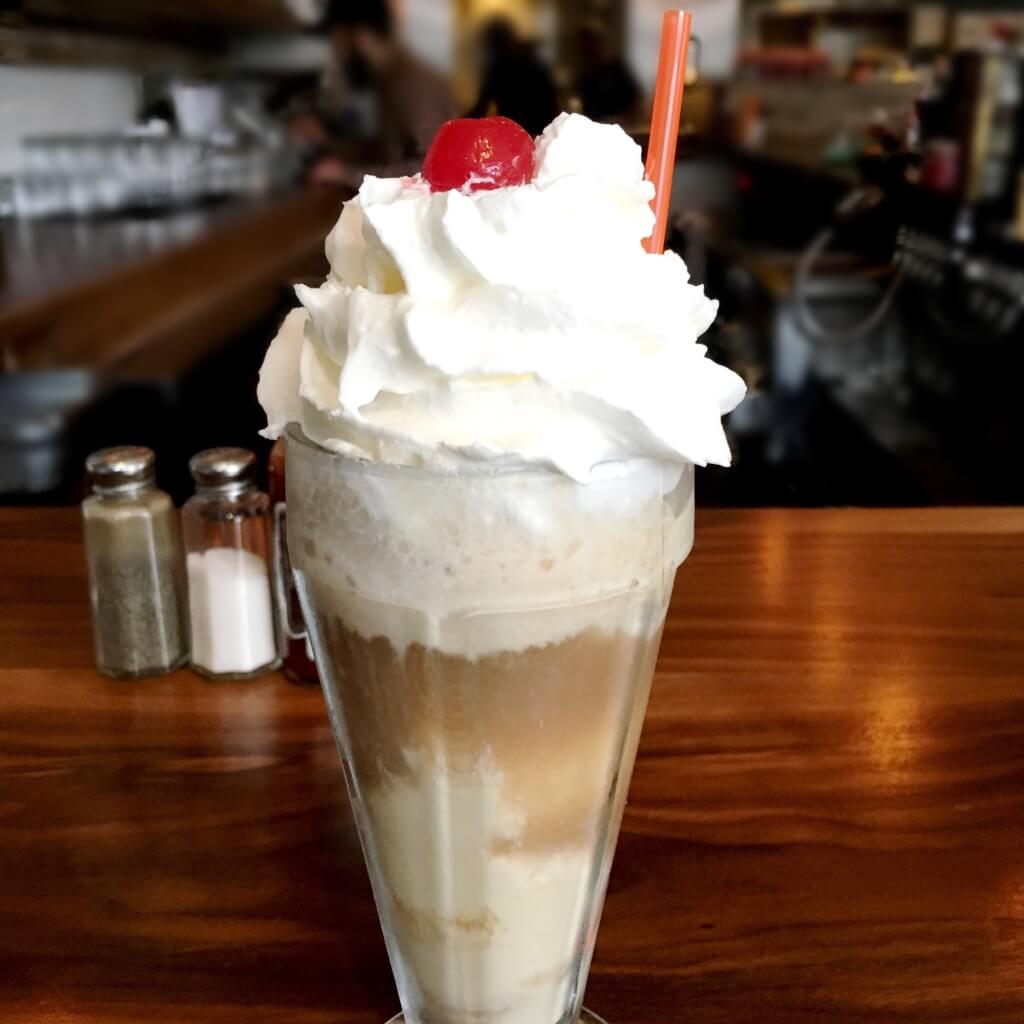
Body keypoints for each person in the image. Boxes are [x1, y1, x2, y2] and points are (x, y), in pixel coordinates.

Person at [307, 0, 456, 187]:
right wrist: (327, 141)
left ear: (360, 37)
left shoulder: (411, 85)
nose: (337, 54)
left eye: (338, 41)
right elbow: (387, 153)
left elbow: (429, 168)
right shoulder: (392, 80)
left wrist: (349, 175)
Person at [468, 18, 559, 137]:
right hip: (542, 133)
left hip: (516, 135)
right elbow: (552, 101)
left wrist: (458, 124)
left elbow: (480, 107)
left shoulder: (498, 69)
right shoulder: (533, 63)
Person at [574, 22, 641, 125]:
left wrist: (628, 121)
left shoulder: (617, 69)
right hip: (594, 128)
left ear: (599, 44)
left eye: (590, 44)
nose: (587, 50)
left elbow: (635, 99)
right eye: (584, 46)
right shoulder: (585, 77)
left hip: (621, 127)